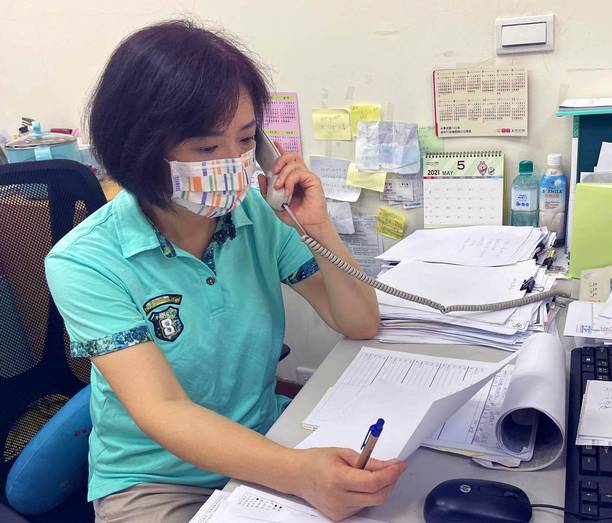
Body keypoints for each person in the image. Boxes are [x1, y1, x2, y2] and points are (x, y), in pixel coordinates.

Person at [45, 20, 405, 522]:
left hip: (268, 443)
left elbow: (358, 322)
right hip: (158, 480)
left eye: (246, 140)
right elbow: (163, 410)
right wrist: (299, 473)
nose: (235, 163)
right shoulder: (83, 261)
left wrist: (316, 226)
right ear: (140, 150)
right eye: (208, 148)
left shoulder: (256, 215)